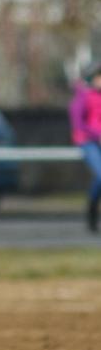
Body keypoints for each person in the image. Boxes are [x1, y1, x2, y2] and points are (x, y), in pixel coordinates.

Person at [69, 61, 101, 232]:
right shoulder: (82, 97)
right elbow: (78, 124)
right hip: (88, 141)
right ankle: (92, 209)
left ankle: (92, 207)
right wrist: (97, 135)